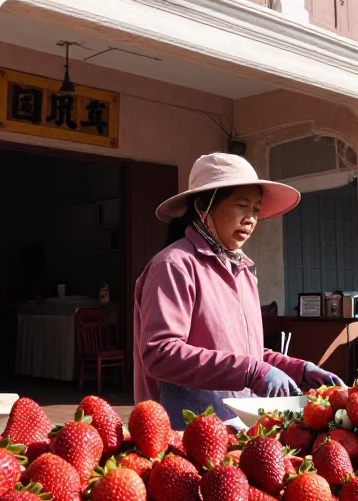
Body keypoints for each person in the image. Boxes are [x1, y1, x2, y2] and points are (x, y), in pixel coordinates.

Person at [133, 153, 344, 428]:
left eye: (256, 209)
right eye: (242, 206)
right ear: (202, 206)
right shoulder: (173, 265)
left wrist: (298, 369)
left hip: (238, 428)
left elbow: (248, 353)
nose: (251, 219)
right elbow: (160, 353)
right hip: (184, 432)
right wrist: (252, 371)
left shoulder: (243, 269)